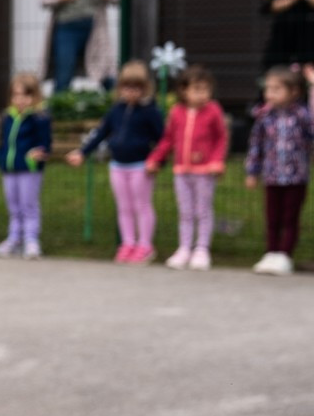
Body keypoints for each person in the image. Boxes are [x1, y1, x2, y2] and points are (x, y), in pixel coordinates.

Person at [65, 60, 165, 264]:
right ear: (120, 88)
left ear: (145, 88)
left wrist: (156, 161)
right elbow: (102, 133)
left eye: (137, 88)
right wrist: (83, 153)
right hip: (118, 166)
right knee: (124, 207)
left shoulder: (150, 112)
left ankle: (145, 245)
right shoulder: (116, 110)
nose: (131, 92)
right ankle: (128, 243)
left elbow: (163, 139)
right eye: (127, 87)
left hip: (141, 167)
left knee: (142, 206)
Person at [146, 64, 229, 271]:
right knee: (185, 211)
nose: (202, 94)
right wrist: (156, 158)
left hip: (204, 171)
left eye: (205, 89)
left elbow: (221, 138)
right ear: (184, 90)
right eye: (196, 89)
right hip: (181, 170)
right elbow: (168, 139)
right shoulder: (177, 112)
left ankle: (202, 248)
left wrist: (217, 161)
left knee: (203, 210)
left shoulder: (213, 111)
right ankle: (184, 248)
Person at [244, 65, 314, 275]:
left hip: (296, 177)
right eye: (268, 89)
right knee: (272, 217)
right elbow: (256, 145)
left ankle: (285, 254)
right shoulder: (264, 117)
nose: (270, 94)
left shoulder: (302, 115)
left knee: (290, 217)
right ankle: (271, 252)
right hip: (272, 176)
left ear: (293, 91)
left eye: (276, 89)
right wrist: (252, 171)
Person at [0, 72, 52, 259]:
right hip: (9, 169)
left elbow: (45, 143)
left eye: (25, 95)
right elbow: (5, 145)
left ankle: (31, 240)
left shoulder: (39, 118)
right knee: (14, 206)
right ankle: (14, 240)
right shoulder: (8, 118)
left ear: (34, 96)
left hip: (29, 169)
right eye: (16, 95)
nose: (20, 100)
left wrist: (39, 151)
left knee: (28, 205)